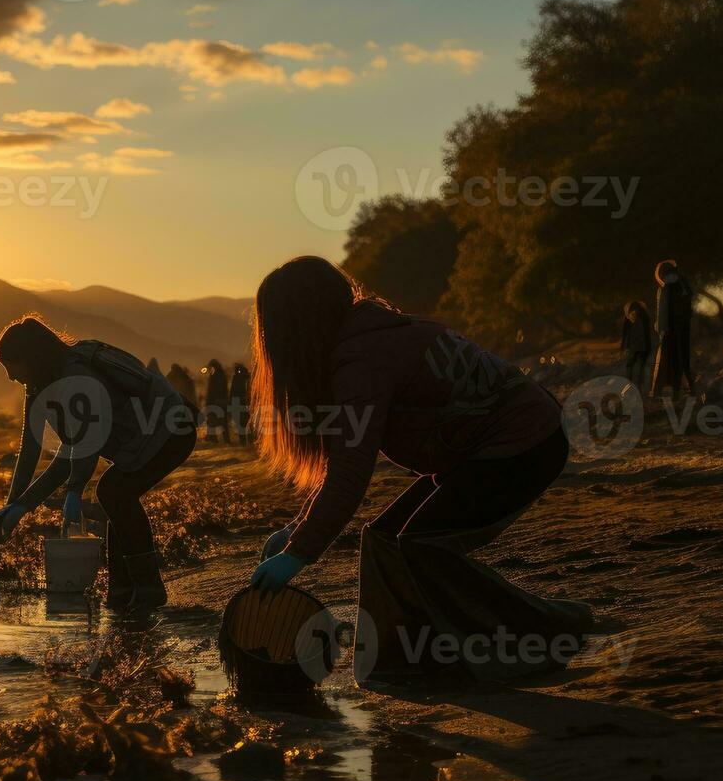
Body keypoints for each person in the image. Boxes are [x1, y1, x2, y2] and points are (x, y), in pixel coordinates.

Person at [247, 257, 590, 681]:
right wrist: (297, 529)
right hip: (486, 449)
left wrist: (298, 554)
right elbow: (342, 462)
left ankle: (548, 630)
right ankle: (399, 660)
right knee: (384, 541)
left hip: (525, 445)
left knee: (421, 546)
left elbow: (351, 473)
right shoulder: (368, 338)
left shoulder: (361, 360)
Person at [0, 316, 196, 614]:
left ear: (31, 358)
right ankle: (122, 593)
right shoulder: (38, 386)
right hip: (139, 442)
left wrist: (73, 490)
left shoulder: (76, 375)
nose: (9, 377)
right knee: (114, 494)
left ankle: (148, 588)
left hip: (171, 430)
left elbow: (82, 447)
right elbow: (29, 450)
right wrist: (13, 506)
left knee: (114, 492)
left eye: (10, 366)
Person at [651, 260, 694, 402]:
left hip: (670, 330)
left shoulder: (667, 287)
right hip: (684, 327)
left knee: (671, 361)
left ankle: (674, 393)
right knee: (684, 359)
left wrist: (662, 328)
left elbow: (664, 309)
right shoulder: (684, 284)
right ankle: (690, 389)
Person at [620, 300, 653, 391]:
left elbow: (626, 333)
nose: (632, 315)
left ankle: (633, 385)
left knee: (632, 365)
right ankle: (635, 385)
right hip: (640, 347)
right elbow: (648, 333)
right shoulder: (645, 317)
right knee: (637, 366)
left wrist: (625, 347)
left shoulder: (635, 318)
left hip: (637, 347)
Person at [203, 360, 230, 443]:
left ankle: (214, 439)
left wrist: (212, 400)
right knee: (221, 421)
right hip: (219, 402)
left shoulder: (217, 376)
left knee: (214, 420)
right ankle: (223, 439)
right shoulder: (220, 375)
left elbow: (216, 390)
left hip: (216, 402)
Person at [229, 363, 251, 444]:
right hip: (241, 402)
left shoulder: (242, 378)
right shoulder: (245, 377)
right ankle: (245, 440)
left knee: (243, 422)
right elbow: (233, 391)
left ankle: (245, 441)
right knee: (243, 422)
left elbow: (233, 391)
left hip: (242, 402)